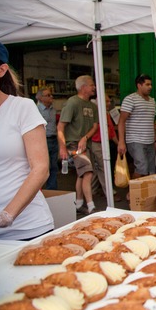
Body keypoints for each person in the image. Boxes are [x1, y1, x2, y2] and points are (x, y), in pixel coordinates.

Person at [0, 41, 54, 240]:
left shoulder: (21, 108)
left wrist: (6, 215)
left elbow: (40, 168)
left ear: (1, 69)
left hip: (26, 229)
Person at [57, 75, 99, 215]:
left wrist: (85, 138)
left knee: (81, 174)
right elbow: (61, 126)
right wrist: (63, 147)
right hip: (73, 144)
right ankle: (91, 206)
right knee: (87, 172)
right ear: (83, 87)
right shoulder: (72, 103)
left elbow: (94, 126)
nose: (94, 87)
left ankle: (79, 204)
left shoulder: (92, 105)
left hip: (85, 144)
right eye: (91, 85)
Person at [118, 74, 156, 180]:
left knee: (151, 169)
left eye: (151, 84)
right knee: (141, 167)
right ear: (139, 85)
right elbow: (121, 121)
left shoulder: (152, 101)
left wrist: (155, 140)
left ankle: (147, 193)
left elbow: (152, 122)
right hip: (135, 140)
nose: (150, 87)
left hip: (150, 141)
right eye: (147, 84)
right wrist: (121, 142)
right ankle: (133, 192)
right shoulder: (130, 99)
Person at [90, 95, 118, 200]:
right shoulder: (97, 113)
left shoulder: (106, 113)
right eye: (106, 101)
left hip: (103, 143)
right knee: (103, 168)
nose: (109, 103)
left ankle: (92, 191)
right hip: (96, 143)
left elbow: (111, 131)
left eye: (109, 101)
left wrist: (118, 143)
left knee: (97, 169)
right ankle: (109, 192)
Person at [36, 86, 59, 190]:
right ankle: (38, 190)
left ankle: (52, 190)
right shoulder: (36, 110)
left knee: (54, 166)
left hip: (54, 140)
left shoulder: (53, 109)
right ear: (40, 98)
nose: (51, 96)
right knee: (44, 167)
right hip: (43, 141)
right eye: (48, 95)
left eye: (51, 94)